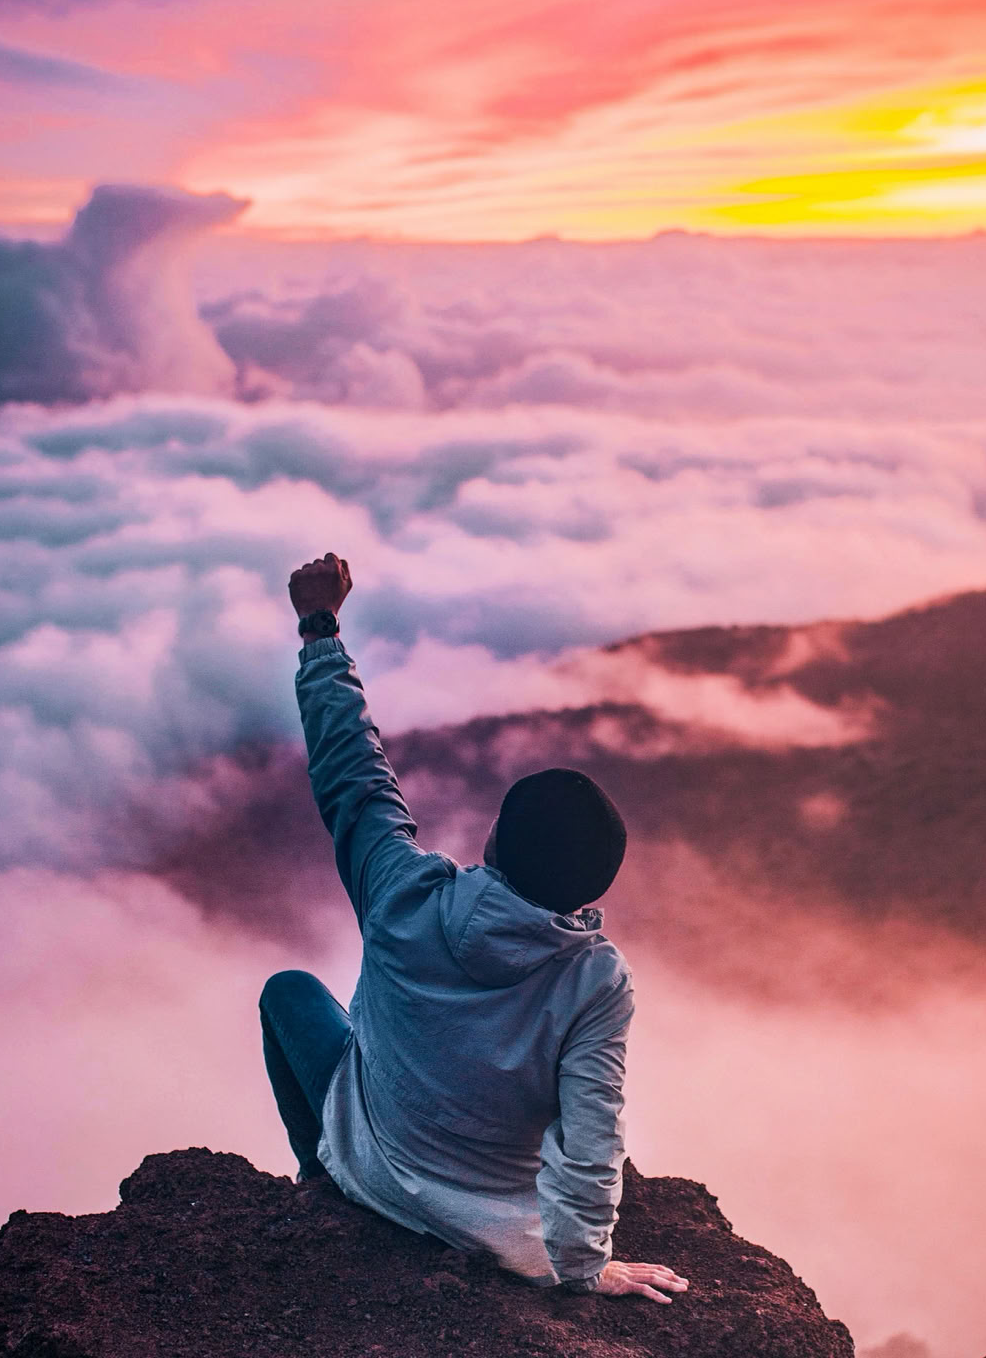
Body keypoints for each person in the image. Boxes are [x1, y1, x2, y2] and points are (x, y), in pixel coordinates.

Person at [257, 551, 688, 1303]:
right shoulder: (595, 979)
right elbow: (594, 1141)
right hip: (492, 1227)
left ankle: (318, 1174)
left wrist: (319, 629)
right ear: (593, 887)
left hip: (372, 1167)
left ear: (494, 842)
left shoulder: (402, 892)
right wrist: (584, 1269)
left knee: (289, 992)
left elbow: (353, 776)